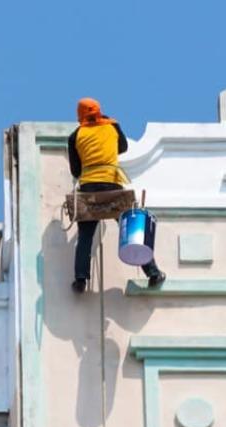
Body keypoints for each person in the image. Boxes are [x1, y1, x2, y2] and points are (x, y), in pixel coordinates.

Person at [68, 97, 165, 294]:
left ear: (80, 115)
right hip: (111, 184)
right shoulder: (113, 126)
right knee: (130, 226)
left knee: (85, 236)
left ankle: (80, 279)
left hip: (88, 188)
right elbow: (123, 147)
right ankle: (153, 272)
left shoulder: (75, 136)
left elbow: (76, 170)